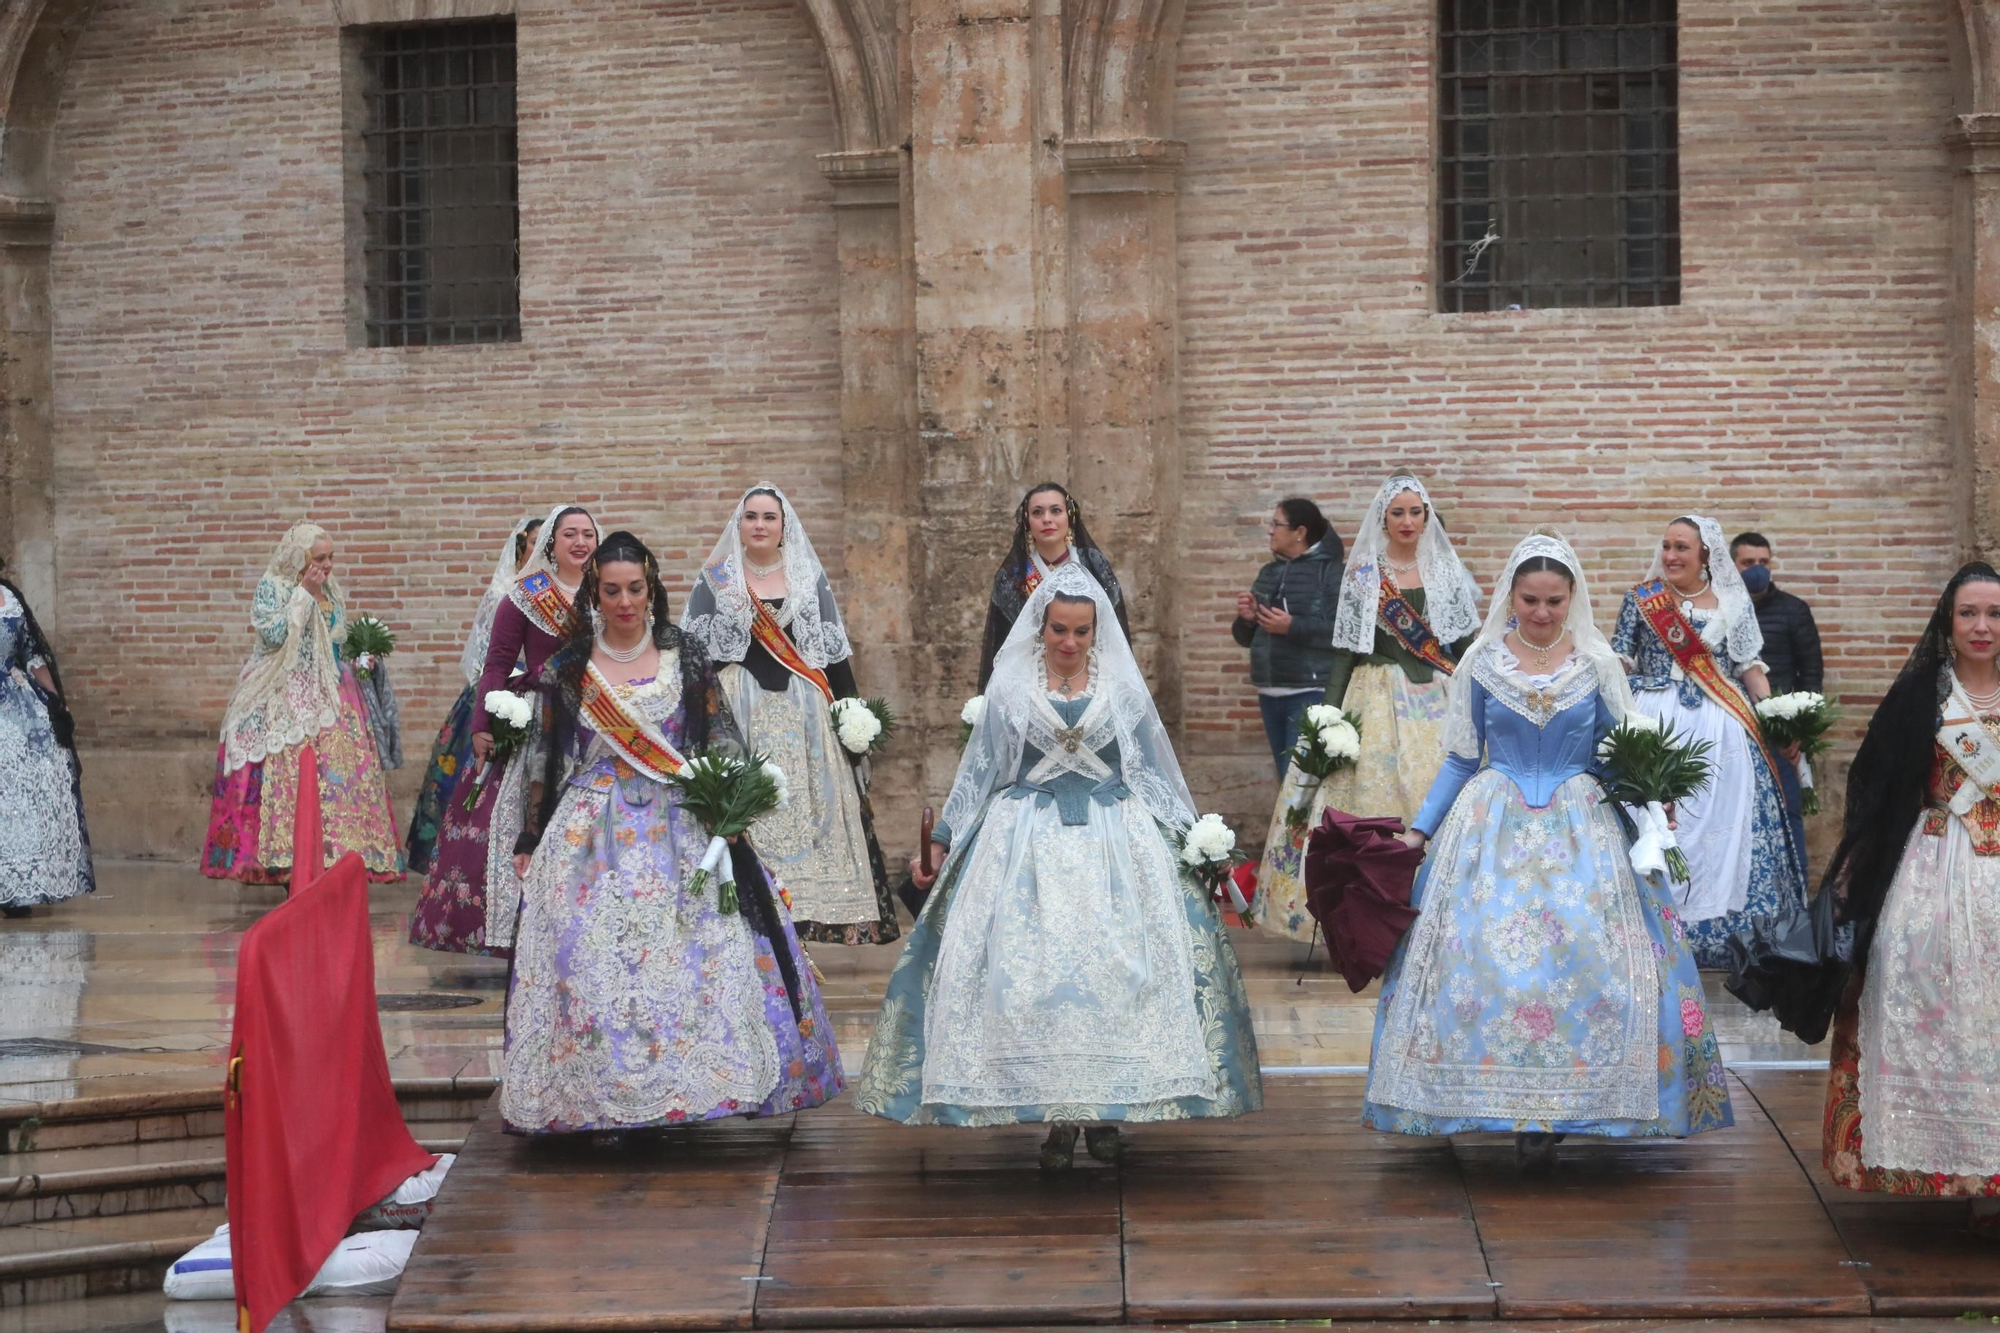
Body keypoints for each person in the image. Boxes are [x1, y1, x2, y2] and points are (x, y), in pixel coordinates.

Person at [854, 560, 1263, 1169]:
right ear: (1039, 630)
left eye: (1081, 631)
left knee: (1117, 978)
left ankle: (1104, 1115)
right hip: (1023, 845)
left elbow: (1153, 776)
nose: (1069, 643)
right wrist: (939, 843)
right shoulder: (1011, 692)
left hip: (1115, 846)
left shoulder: (1123, 693)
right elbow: (980, 772)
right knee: (1032, 982)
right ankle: (1057, 1119)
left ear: (1097, 632)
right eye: (1059, 631)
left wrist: (1199, 844)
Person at [1365, 530, 1733, 1167]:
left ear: (1572, 599)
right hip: (1490, 821)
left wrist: (1651, 805)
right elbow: (1458, 758)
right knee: (1477, 955)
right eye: (1530, 600)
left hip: (1583, 823)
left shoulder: (1597, 665)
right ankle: (1503, 1105)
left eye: (1553, 601)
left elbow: (1622, 754)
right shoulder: (1481, 664)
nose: (1541, 612)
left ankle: (1575, 1105)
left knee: (1597, 960)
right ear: (1511, 596)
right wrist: (1419, 831)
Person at [500, 532, 840, 1137]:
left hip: (679, 824)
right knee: (588, 956)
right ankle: (593, 1096)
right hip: (591, 831)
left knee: (694, 953)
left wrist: (730, 809)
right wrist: (531, 838)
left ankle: (692, 1088)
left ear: (651, 588)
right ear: (595, 595)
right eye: (611, 591)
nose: (625, 602)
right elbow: (544, 759)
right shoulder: (570, 666)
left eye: (635, 589)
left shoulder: (684, 655)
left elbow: (720, 739)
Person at [1812, 562, 2000, 1232]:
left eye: (1994, 613)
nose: (1983, 626)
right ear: (1948, 622)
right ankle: (1951, 1161)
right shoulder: (1924, 694)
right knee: (1931, 1006)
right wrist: (1853, 872)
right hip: (1934, 871)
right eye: (1969, 613)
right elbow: (1876, 784)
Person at [1251, 475, 1481, 943]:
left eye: (1415, 512)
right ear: (1383, 518)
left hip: (1439, 697)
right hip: (1374, 696)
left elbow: (1464, 647)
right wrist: (1329, 715)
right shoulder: (1364, 575)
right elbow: (1345, 652)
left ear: (1427, 516)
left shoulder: (1445, 572)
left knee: (1436, 792)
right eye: (1397, 512)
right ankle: (1359, 919)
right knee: (1365, 798)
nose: (1407, 521)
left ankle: (1440, 915)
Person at [680, 487, 897, 945]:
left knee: (808, 806)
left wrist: (851, 710)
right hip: (741, 714)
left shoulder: (805, 575)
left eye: (769, 518)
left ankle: (810, 917)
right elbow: (696, 659)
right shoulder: (717, 578)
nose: (759, 525)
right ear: (738, 525)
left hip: (806, 718)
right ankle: (751, 908)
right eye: (751, 517)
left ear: (784, 528)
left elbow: (832, 656)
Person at [1611, 516, 1808, 968]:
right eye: (1666, 546)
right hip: (1655, 722)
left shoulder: (1734, 604)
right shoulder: (1641, 601)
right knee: (1657, 823)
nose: (1671, 555)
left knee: (1721, 826)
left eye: (1682, 547)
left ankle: (1721, 935)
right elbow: (1619, 661)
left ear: (1705, 555)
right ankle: (1651, 927)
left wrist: (1778, 718)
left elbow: (1750, 669)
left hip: (1721, 729)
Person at [408, 504, 597, 956]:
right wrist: (480, 727)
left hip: (595, 720)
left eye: (588, 534)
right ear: (551, 542)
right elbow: (495, 664)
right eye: (569, 533)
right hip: (538, 720)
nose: (580, 542)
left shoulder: (605, 592)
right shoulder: (526, 595)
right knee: (517, 819)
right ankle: (513, 930)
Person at [202, 523, 403, 884]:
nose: (326, 566)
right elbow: (274, 635)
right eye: (319, 558)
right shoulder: (273, 587)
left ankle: (337, 862)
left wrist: (359, 660)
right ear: (300, 557)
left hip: (332, 691)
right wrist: (304, 593)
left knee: (341, 776)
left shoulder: (331, 589)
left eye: (331, 558)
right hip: (282, 689)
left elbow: (334, 642)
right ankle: (283, 863)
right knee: (287, 770)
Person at [404, 516, 542, 875]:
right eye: (534, 542)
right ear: (520, 548)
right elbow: (487, 654)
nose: (540, 549)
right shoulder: (504, 593)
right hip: (499, 696)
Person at [0, 557, 93, 916]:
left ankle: (21, 887)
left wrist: (56, 701)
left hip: (18, 701)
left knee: (35, 776)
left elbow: (33, 655)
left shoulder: (10, 597)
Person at [1231, 497, 1346, 776]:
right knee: (1287, 779)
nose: (1270, 531)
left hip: (1310, 691)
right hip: (1269, 693)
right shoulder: (1269, 572)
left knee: (1297, 781)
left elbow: (1342, 632)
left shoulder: (1331, 573)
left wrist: (1292, 626)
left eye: (1276, 524)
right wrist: (1247, 620)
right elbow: (1246, 638)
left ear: (1300, 532)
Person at [976, 483, 1129, 691]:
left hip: (1091, 678)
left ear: (1069, 517)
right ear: (1027, 521)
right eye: (1037, 512)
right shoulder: (1013, 576)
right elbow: (1002, 644)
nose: (1047, 518)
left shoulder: (1092, 565)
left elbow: (1112, 631)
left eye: (1055, 511)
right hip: (1030, 682)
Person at [1732, 531, 1821, 858]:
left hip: (1780, 733)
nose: (1757, 569)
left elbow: (1811, 674)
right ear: (1732, 565)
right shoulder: (1722, 611)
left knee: (1789, 809)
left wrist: (1800, 730)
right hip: (1735, 729)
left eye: (1763, 562)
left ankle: (1796, 894)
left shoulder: (1794, 610)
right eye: (1748, 562)